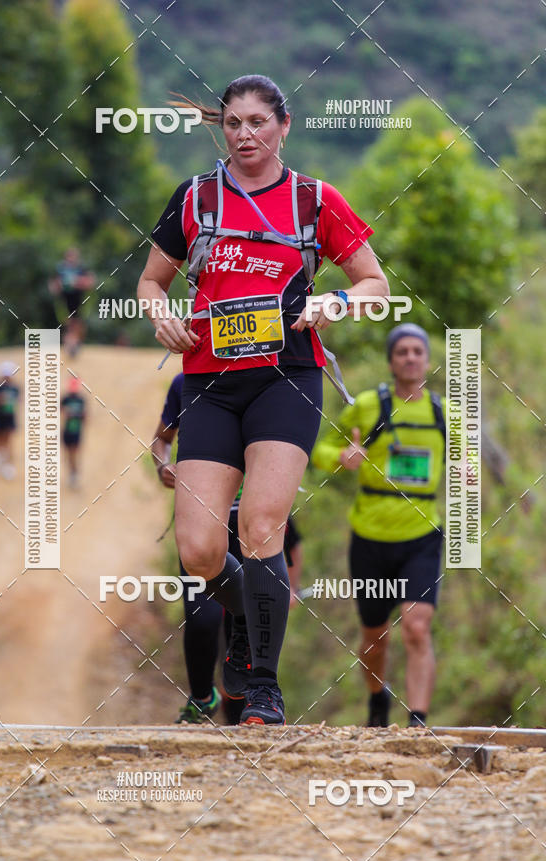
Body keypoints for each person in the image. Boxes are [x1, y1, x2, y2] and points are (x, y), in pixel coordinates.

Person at [138, 74, 388, 725]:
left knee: (263, 526)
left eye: (258, 122)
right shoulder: (195, 197)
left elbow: (374, 283)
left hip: (287, 379)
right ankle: (249, 624)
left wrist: (335, 300)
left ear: (283, 125)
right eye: (234, 123)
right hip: (208, 383)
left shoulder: (313, 200)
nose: (245, 135)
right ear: (222, 128)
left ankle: (262, 689)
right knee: (198, 549)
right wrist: (160, 314)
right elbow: (149, 282)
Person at [311, 324, 445, 728]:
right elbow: (317, 449)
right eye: (401, 351)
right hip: (369, 536)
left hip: (421, 535)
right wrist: (342, 456)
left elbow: (465, 465)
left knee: (417, 626)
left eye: (416, 352)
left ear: (426, 360)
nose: (409, 358)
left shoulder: (444, 413)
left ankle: (418, 721)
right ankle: (376, 702)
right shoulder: (368, 406)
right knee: (375, 636)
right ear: (391, 360)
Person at [151, 371, 304, 725]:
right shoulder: (185, 383)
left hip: (250, 524)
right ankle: (202, 698)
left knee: (241, 629)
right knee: (202, 620)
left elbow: (293, 541)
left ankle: (247, 714)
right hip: (204, 524)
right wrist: (164, 465)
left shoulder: (273, 380)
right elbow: (161, 440)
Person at [49, 248, 95, 357]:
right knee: (69, 324)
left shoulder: (82, 268)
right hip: (64, 301)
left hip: (80, 300)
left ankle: (75, 344)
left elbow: (91, 282)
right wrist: (61, 285)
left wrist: (76, 282)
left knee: (79, 325)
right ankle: (70, 347)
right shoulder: (60, 269)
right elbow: (53, 286)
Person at [0, 361, 20, 480]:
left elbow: (18, 401)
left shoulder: (15, 388)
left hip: (10, 418)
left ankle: (9, 466)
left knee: (8, 441)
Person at [61, 377, 87, 490]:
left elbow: (85, 416)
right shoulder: (65, 399)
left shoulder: (81, 400)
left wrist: (75, 415)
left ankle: (74, 474)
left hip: (76, 431)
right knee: (69, 454)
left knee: (74, 454)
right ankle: (73, 473)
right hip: (67, 431)